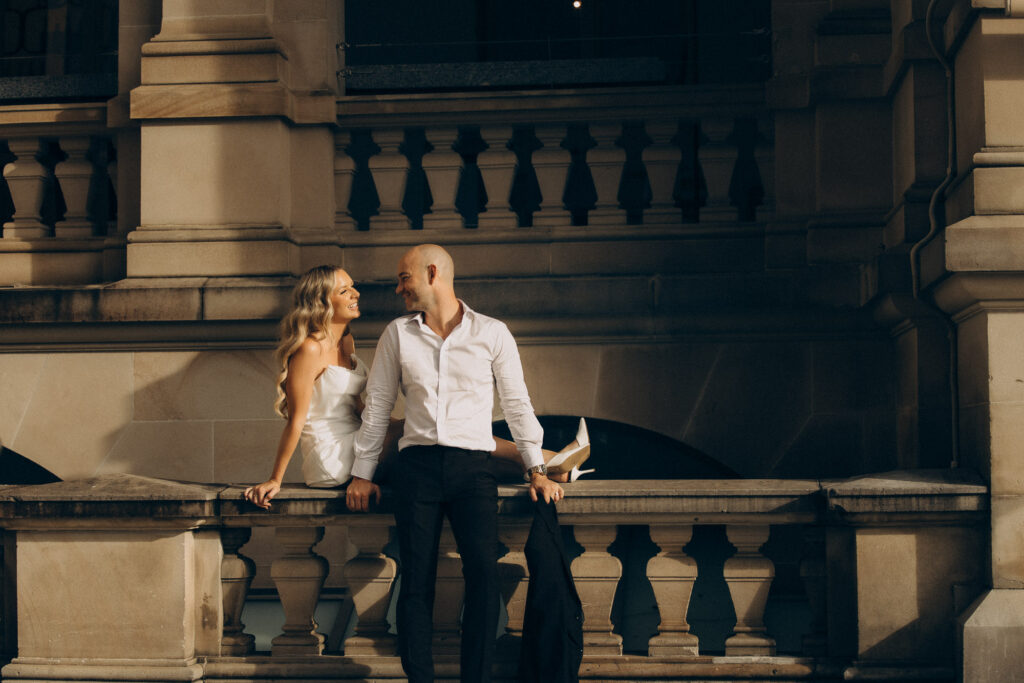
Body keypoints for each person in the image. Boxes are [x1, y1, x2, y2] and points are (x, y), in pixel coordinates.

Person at [345, 244, 561, 683]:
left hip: (473, 470)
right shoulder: (397, 334)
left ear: (432, 273)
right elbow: (379, 406)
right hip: (416, 469)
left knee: (483, 575)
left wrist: (536, 470)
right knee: (416, 579)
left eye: (404, 278)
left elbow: (517, 405)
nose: (398, 288)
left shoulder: (492, 333)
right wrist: (362, 474)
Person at [243, 264, 588, 510]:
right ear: (321, 301)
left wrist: (394, 426)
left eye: (352, 286)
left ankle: (550, 470)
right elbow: (297, 421)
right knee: (425, 427)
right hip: (331, 456)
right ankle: (547, 459)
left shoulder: (346, 343)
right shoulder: (309, 349)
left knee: (447, 447)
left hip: (358, 442)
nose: (355, 293)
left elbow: (359, 410)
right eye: (344, 290)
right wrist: (275, 479)